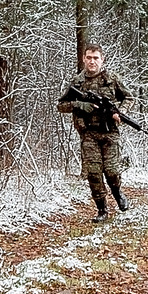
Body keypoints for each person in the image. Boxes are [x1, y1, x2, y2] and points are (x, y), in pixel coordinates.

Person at [56, 44, 132, 219]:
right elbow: (61, 105)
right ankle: (102, 209)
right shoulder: (77, 82)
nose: (92, 61)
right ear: (84, 59)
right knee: (93, 173)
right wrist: (80, 105)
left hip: (110, 133)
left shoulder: (111, 79)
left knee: (112, 171)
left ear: (102, 59)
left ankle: (117, 193)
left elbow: (129, 97)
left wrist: (121, 112)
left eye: (96, 58)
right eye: (89, 58)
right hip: (88, 134)